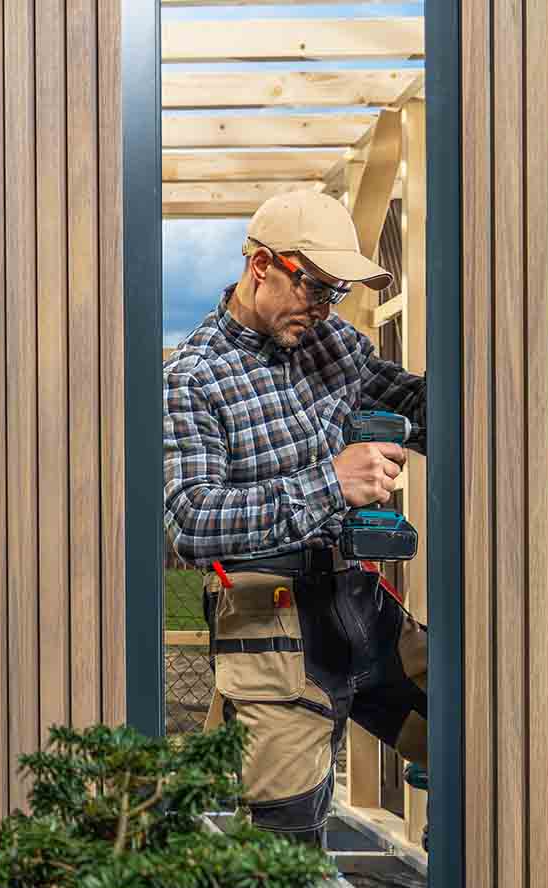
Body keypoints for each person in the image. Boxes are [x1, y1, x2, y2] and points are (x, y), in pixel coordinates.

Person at [163, 190, 430, 848]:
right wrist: (331, 482)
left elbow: (423, 411)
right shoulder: (194, 377)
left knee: (487, 743)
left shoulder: (333, 344)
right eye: (314, 286)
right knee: (282, 858)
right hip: (270, 626)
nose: (324, 308)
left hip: (360, 606)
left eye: (336, 292)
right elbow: (192, 522)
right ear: (261, 266)